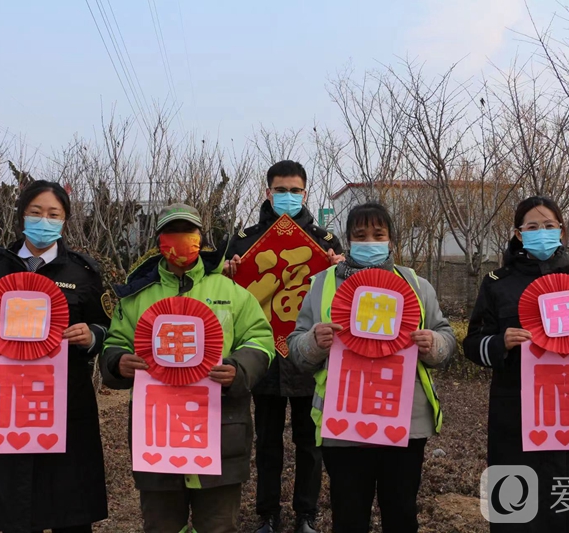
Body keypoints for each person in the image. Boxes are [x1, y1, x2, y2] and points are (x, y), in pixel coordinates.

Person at [99, 203, 275, 533]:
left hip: (220, 432)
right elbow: (114, 344)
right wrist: (117, 362)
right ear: (159, 241)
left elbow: (260, 339)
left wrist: (239, 368)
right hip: (158, 439)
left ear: (201, 238)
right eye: (171, 232)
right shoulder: (136, 296)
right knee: (162, 526)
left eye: (189, 231)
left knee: (218, 526)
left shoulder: (231, 291)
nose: (181, 239)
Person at [287, 202, 455, 533]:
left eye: (378, 234)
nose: (370, 241)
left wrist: (433, 344)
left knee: (402, 513)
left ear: (391, 239)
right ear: (348, 240)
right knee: (348, 516)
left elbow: (447, 339)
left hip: (406, 423)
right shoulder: (322, 284)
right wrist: (313, 342)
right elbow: (296, 349)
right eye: (360, 235)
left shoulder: (416, 285)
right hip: (345, 424)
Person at [463, 196, 569, 533]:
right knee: (518, 513)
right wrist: (499, 343)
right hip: (516, 418)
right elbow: (472, 343)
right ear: (519, 235)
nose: (542, 233)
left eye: (549, 226)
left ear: (562, 231)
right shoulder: (498, 284)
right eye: (532, 227)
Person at [0, 180, 109, 533]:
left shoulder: (82, 273)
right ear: (21, 216)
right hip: (7, 406)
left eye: (53, 214)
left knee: (69, 504)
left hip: (67, 401)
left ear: (65, 220)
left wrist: (91, 336)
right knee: (15, 505)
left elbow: (105, 326)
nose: (44, 221)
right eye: (35, 212)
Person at [224, 160, 343, 533]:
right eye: (280, 190)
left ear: (306, 193)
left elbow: (347, 294)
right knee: (268, 441)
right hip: (265, 355)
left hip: (309, 354)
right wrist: (226, 272)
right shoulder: (243, 241)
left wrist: (342, 268)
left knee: (309, 442)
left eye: (295, 190)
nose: (288, 196)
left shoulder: (326, 243)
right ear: (267, 192)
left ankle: (306, 514)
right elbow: (226, 297)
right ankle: (267, 514)